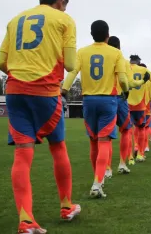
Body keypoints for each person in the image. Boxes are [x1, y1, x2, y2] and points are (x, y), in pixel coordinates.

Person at [0, 0, 80, 233]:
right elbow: (71, 63)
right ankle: (66, 206)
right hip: (45, 92)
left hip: (14, 91)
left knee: (22, 154)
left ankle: (26, 220)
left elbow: (1, 61)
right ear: (61, 1)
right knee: (58, 147)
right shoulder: (64, 19)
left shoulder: (15, 20)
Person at [62, 20, 131, 199]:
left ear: (92, 34)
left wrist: (64, 90)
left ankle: (97, 179)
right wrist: (126, 91)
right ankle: (97, 183)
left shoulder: (82, 52)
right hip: (108, 100)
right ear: (108, 35)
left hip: (88, 100)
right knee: (104, 141)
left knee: (93, 141)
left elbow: (72, 72)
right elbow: (123, 79)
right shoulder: (115, 53)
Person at [105, 36, 145, 174]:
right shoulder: (122, 60)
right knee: (126, 130)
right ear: (119, 46)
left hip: (103, 97)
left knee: (105, 135)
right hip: (120, 98)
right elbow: (129, 82)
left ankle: (107, 168)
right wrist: (141, 82)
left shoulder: (101, 56)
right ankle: (122, 163)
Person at [128, 55, 151, 161]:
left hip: (126, 105)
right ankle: (141, 152)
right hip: (142, 105)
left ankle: (129, 156)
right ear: (138, 61)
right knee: (143, 128)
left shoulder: (124, 68)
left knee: (127, 131)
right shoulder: (144, 71)